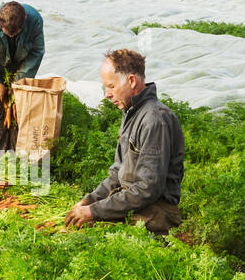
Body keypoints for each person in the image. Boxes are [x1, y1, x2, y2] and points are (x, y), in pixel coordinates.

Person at [64, 48, 185, 235]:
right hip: (132, 203)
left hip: (156, 211)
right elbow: (117, 173)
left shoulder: (154, 120)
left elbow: (147, 189)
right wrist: (89, 201)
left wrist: (94, 212)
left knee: (91, 232)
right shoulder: (131, 112)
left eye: (111, 86)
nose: (107, 93)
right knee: (80, 224)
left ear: (131, 81)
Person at [0, 1, 44, 154]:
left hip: (20, 68)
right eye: (7, 33)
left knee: (19, 112)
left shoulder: (34, 21)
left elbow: (36, 53)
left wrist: (17, 82)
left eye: (15, 33)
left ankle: (16, 155)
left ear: (23, 21)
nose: (10, 36)